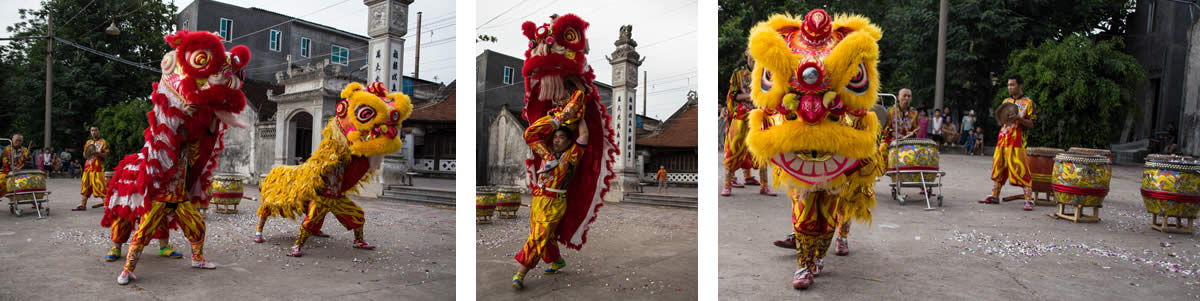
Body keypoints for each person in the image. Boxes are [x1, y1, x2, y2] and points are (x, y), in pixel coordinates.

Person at [513, 116, 588, 290]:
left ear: (569, 141)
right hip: (538, 200)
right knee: (546, 236)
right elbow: (530, 135)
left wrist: (580, 113)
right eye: (555, 137)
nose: (556, 140)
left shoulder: (572, 155)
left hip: (555, 203)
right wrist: (555, 118)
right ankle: (558, 261)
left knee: (538, 236)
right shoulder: (545, 153)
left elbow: (584, 135)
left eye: (561, 137)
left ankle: (521, 273)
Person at [979, 74, 1038, 210]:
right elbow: (1001, 120)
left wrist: (1019, 118)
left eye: (1013, 85)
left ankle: (1029, 199)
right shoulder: (1006, 101)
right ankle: (994, 195)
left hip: (1018, 143)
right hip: (1003, 140)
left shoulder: (1029, 103)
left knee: (1022, 169)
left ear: (1020, 85)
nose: (1010, 87)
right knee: (998, 168)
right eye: (1009, 85)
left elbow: (1032, 124)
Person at [721, 50, 774, 197]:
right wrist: (752, 96)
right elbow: (733, 95)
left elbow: (770, 92)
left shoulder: (765, 72)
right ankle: (727, 184)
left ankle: (764, 185)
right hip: (741, 115)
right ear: (746, 52)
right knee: (733, 148)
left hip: (758, 115)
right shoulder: (738, 73)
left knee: (761, 150)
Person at [75, 126, 109, 211]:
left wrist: (98, 153)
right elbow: (84, 155)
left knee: (101, 186)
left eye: (95, 130)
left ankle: (106, 204)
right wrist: (88, 153)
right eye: (92, 130)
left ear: (99, 131)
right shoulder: (88, 142)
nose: (93, 132)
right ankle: (83, 204)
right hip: (87, 168)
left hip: (98, 169)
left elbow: (107, 154)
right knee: (85, 186)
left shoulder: (103, 142)